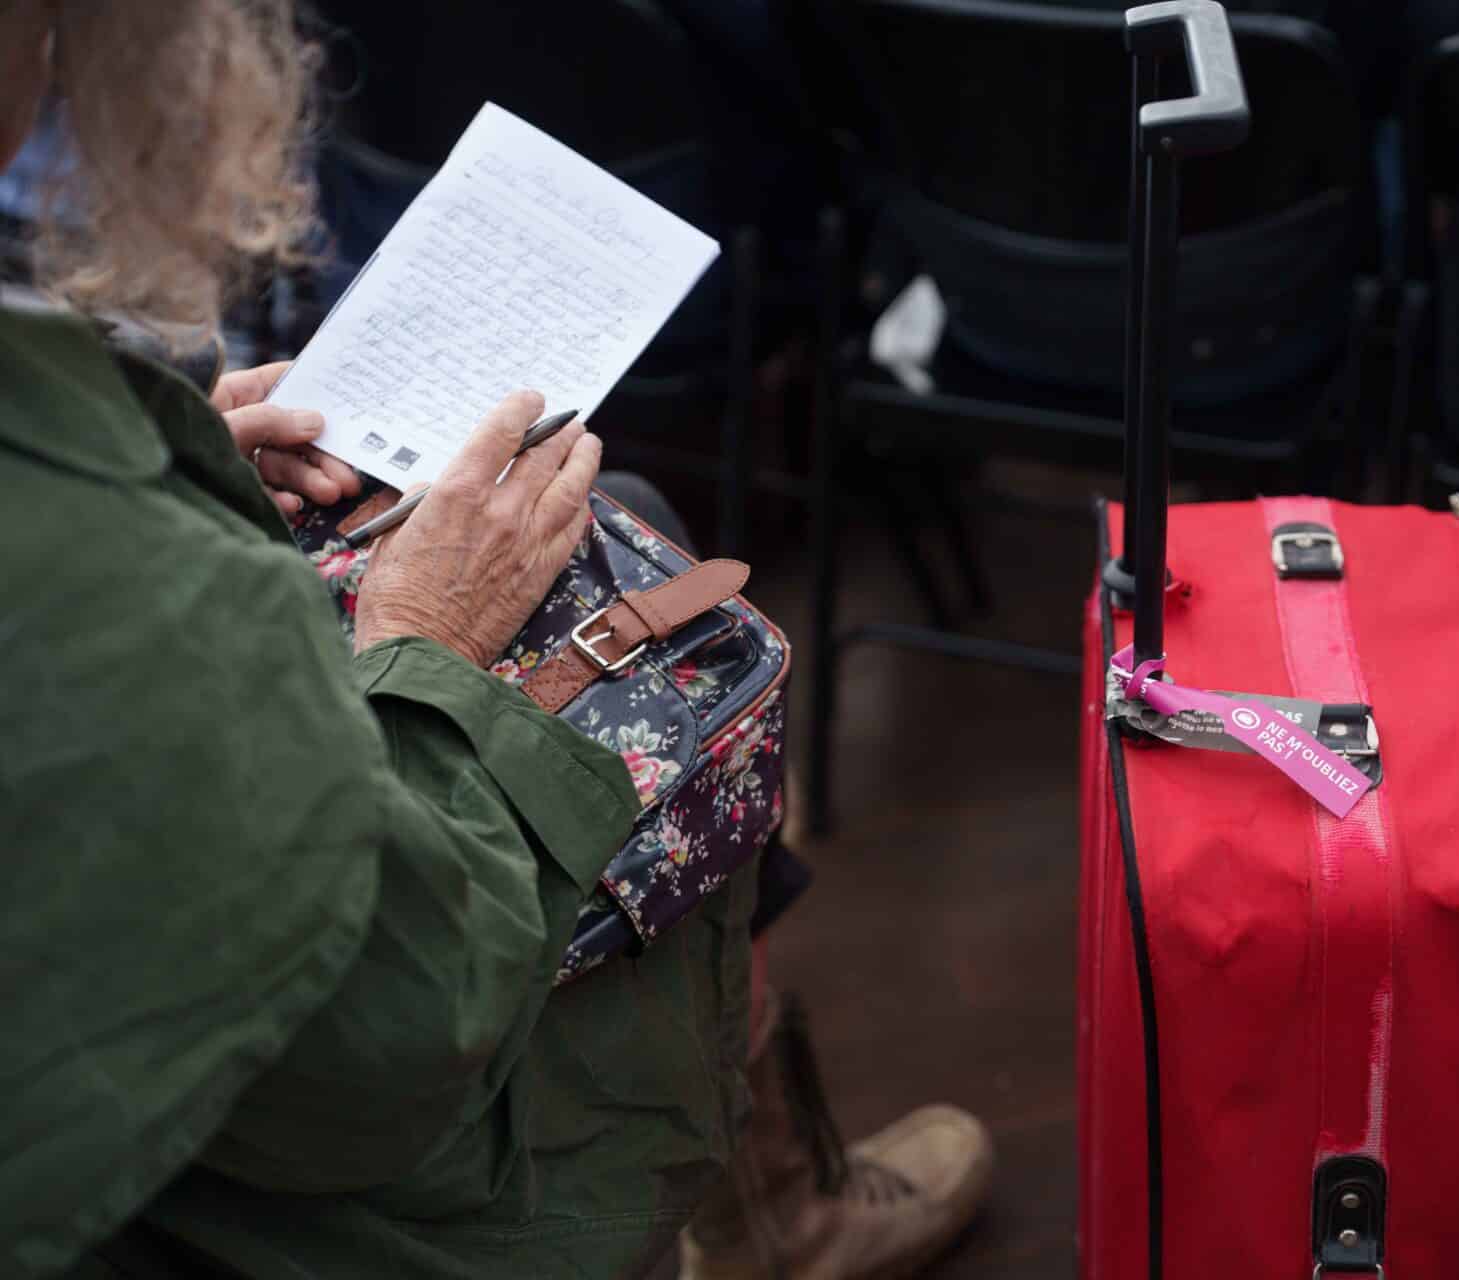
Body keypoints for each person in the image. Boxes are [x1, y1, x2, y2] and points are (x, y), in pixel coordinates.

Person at [0, 2, 987, 1277]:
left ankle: (777, 1204)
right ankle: (778, 1218)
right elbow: (385, 1044)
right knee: (679, 676)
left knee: (631, 524)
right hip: (246, 1203)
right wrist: (426, 642)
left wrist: (179, 468)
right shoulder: (93, 568)